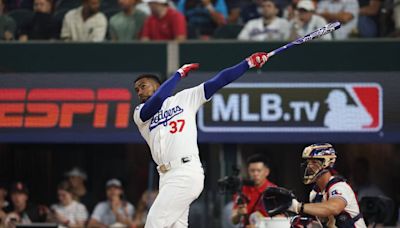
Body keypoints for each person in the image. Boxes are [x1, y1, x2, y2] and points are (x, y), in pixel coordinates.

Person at [133, 51, 269, 227]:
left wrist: (248, 63)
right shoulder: (139, 113)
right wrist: (179, 74)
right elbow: (157, 100)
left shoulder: (184, 99)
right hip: (165, 176)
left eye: (143, 86)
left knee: (154, 222)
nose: (139, 92)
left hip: (185, 171)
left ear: (158, 85)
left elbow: (219, 80)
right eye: (136, 90)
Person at [287, 143, 367, 227]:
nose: (309, 167)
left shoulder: (339, 186)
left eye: (314, 162)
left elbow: (334, 208)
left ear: (327, 163)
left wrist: (297, 206)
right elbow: (325, 223)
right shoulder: (315, 193)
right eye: (308, 162)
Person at [231, 154, 277, 226]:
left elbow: (280, 218)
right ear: (248, 171)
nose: (255, 174)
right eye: (252, 171)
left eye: (259, 171)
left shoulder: (274, 191)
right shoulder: (242, 190)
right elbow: (234, 220)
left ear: (266, 172)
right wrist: (239, 213)